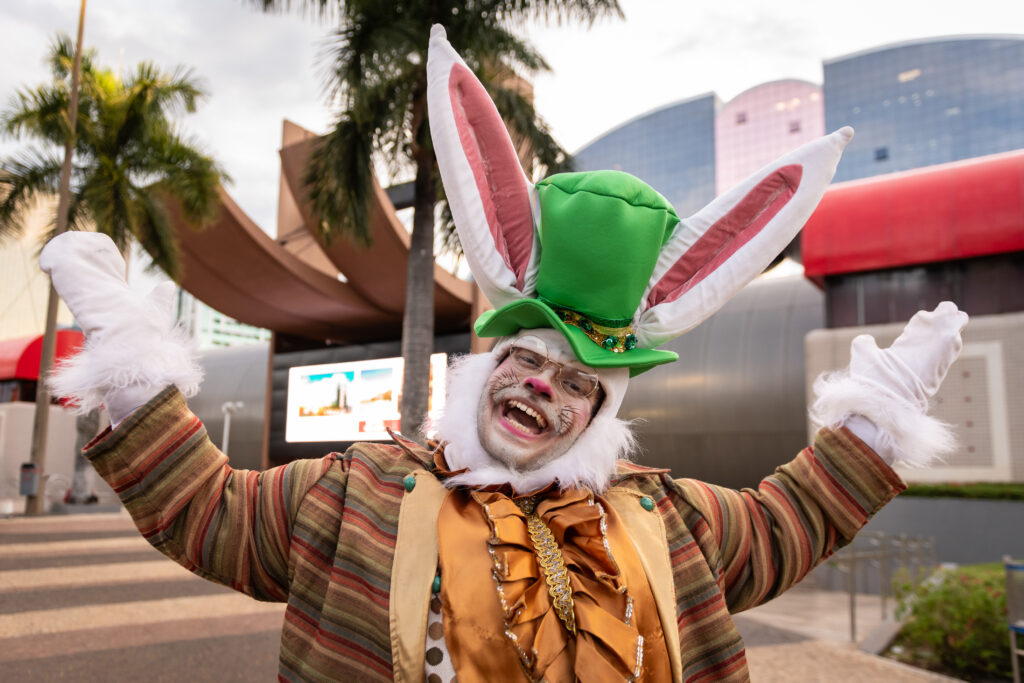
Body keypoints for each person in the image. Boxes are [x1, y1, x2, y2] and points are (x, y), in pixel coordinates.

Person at [38, 26, 967, 683]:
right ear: (486, 365)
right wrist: (129, 358)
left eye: (575, 383)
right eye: (527, 358)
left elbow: (783, 524)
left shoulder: (668, 518)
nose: (541, 388)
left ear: (600, 414)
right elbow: (208, 513)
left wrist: (874, 419)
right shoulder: (352, 494)